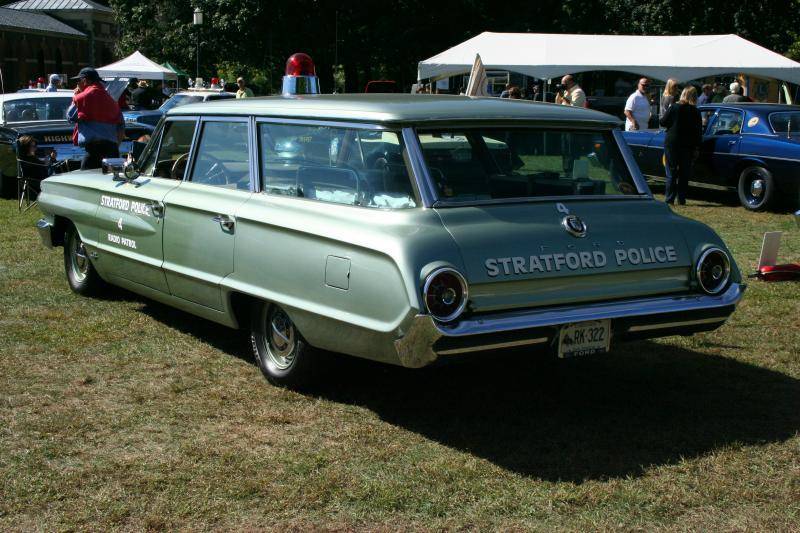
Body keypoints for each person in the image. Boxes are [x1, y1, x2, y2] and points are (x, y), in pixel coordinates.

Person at [67, 67, 124, 170]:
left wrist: (78, 94)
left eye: (78, 80)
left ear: (85, 80)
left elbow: (70, 117)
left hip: (94, 150)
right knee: (111, 178)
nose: (77, 83)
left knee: (86, 177)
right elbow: (121, 126)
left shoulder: (83, 97)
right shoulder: (111, 99)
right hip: (112, 149)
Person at [659, 86, 702, 205]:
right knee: (684, 172)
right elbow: (698, 131)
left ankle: (669, 198)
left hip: (672, 142)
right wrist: (697, 147)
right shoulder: (695, 111)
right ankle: (681, 199)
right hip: (688, 144)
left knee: (671, 171)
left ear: (683, 94)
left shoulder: (674, 107)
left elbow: (662, 122)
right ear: (695, 97)